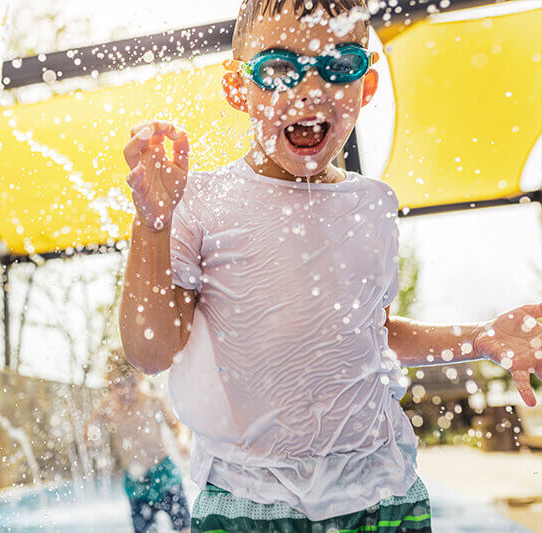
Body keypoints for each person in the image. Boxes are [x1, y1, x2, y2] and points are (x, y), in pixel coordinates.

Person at [118, 0, 542, 531]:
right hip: (250, 499)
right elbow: (150, 351)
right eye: (276, 69)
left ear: (366, 86)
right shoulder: (202, 201)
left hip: (381, 491)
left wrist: (477, 337)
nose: (311, 88)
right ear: (236, 88)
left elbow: (375, 335)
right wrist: (152, 224)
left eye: (339, 64)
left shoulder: (374, 206)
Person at [83, 350, 191, 533]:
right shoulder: (107, 405)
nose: (126, 390)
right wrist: (91, 435)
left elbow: (177, 426)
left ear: (141, 377)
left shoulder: (152, 400)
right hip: (136, 483)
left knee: (184, 528)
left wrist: (182, 441)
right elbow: (90, 428)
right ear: (108, 381)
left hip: (165, 475)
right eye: (118, 384)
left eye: (131, 383)